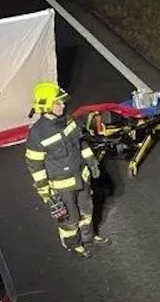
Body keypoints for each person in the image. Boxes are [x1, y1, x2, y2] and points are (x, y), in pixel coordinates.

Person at [24, 82, 110, 259]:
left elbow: (81, 143)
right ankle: (74, 244)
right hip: (62, 186)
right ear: (46, 106)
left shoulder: (69, 120)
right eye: (58, 103)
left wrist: (92, 162)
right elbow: (35, 166)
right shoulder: (37, 135)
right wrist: (45, 193)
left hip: (81, 177)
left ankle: (89, 237)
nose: (63, 105)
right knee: (69, 219)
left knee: (87, 210)